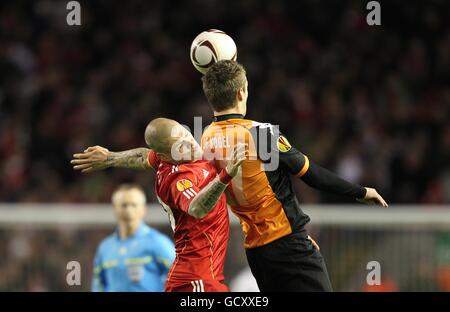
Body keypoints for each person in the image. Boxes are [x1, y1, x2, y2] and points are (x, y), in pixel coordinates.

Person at [200, 60, 389, 292]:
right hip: (286, 241)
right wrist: (361, 191)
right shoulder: (259, 133)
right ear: (241, 92)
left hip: (257, 251)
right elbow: (311, 175)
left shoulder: (206, 138)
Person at [72, 118, 246, 292]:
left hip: (200, 276)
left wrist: (110, 158)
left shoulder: (173, 156)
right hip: (196, 280)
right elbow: (197, 208)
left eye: (186, 134)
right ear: (167, 156)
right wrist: (226, 175)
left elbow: (143, 156)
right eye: (180, 146)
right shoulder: (177, 180)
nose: (190, 144)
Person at [91, 184, 175, 292]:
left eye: (134, 205)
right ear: (114, 208)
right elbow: (98, 286)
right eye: (124, 205)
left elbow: (181, 278)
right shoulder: (105, 248)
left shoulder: (158, 243)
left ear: (143, 209)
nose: (129, 210)